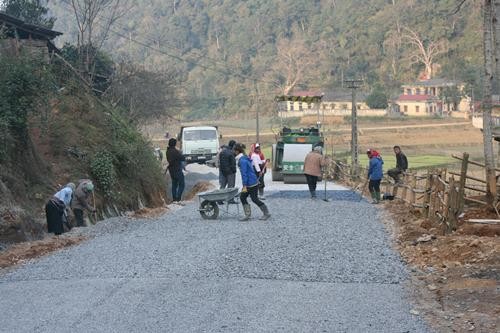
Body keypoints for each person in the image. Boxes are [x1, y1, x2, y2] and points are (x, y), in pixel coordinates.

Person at [234, 143, 271, 221]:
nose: (233, 152)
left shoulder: (242, 161)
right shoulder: (245, 157)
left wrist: (244, 185)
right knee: (244, 197)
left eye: (234, 151)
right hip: (253, 181)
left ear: (237, 151)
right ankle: (249, 214)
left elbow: (244, 174)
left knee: (253, 198)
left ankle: (265, 213)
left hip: (250, 183)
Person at [166, 138, 186, 203]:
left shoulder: (167, 151)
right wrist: (180, 152)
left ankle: (174, 199)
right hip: (177, 170)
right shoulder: (175, 151)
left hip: (171, 170)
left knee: (174, 184)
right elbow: (182, 158)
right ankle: (178, 198)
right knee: (182, 184)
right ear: (174, 144)